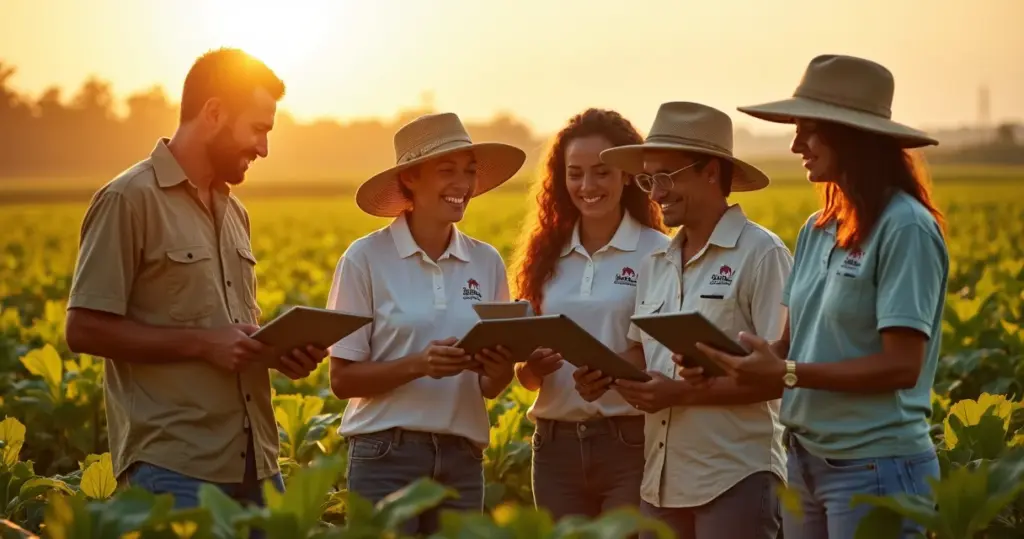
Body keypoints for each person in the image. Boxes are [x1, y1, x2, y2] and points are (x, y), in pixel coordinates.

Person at [697, 54, 948, 539]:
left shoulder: (906, 227)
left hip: (876, 468)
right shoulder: (818, 229)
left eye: (808, 130)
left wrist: (786, 372)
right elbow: (792, 347)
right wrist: (731, 359)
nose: (795, 144)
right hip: (806, 462)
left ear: (850, 134)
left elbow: (901, 366)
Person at [64, 48, 325, 512]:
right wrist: (203, 345)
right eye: (258, 129)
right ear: (214, 113)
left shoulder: (234, 212)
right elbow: (83, 328)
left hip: (257, 462)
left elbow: (230, 331)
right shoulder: (128, 199)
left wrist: (275, 351)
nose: (263, 148)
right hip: (172, 466)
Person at [582, 101, 793, 539]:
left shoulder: (762, 254)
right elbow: (644, 355)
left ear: (711, 172)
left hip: (735, 477)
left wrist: (678, 393)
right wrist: (605, 372)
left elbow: (778, 379)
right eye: (648, 179)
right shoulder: (656, 262)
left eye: (665, 177)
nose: (655, 194)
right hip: (659, 483)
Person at [325, 112, 525, 535]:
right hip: (385, 456)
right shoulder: (365, 259)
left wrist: (503, 365)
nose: (463, 185)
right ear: (410, 179)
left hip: (462, 457)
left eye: (469, 172)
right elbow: (342, 380)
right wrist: (420, 364)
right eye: (447, 170)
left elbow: (489, 387)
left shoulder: (486, 261)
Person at [508, 108, 670, 519]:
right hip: (553, 447)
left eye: (601, 172)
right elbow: (526, 377)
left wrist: (611, 372)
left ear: (628, 174)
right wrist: (533, 366)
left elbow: (664, 351)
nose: (587, 185)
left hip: (629, 443)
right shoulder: (543, 256)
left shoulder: (658, 252)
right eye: (575, 173)